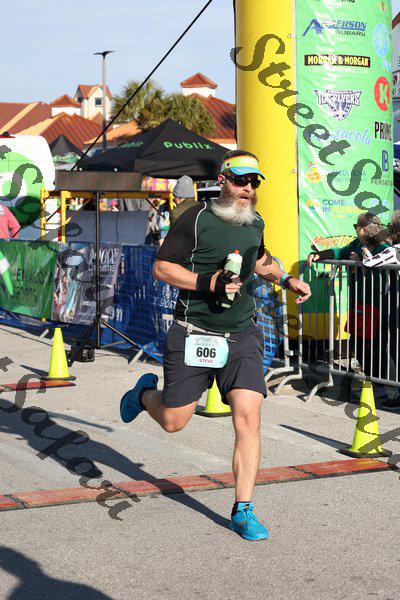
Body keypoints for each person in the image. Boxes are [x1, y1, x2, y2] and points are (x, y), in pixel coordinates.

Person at [119, 149, 311, 541]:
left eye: (254, 182)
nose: (248, 189)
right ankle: (144, 396)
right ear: (222, 180)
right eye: (241, 180)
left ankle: (244, 509)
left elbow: (260, 259)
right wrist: (209, 283)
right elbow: (162, 268)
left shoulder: (255, 222)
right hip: (194, 332)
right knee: (173, 421)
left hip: (241, 334)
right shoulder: (195, 218)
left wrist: (287, 280)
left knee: (248, 416)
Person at [361, 212, 400, 412]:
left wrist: (365, 253)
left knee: (396, 348)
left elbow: (369, 262)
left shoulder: (394, 250)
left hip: (396, 306)